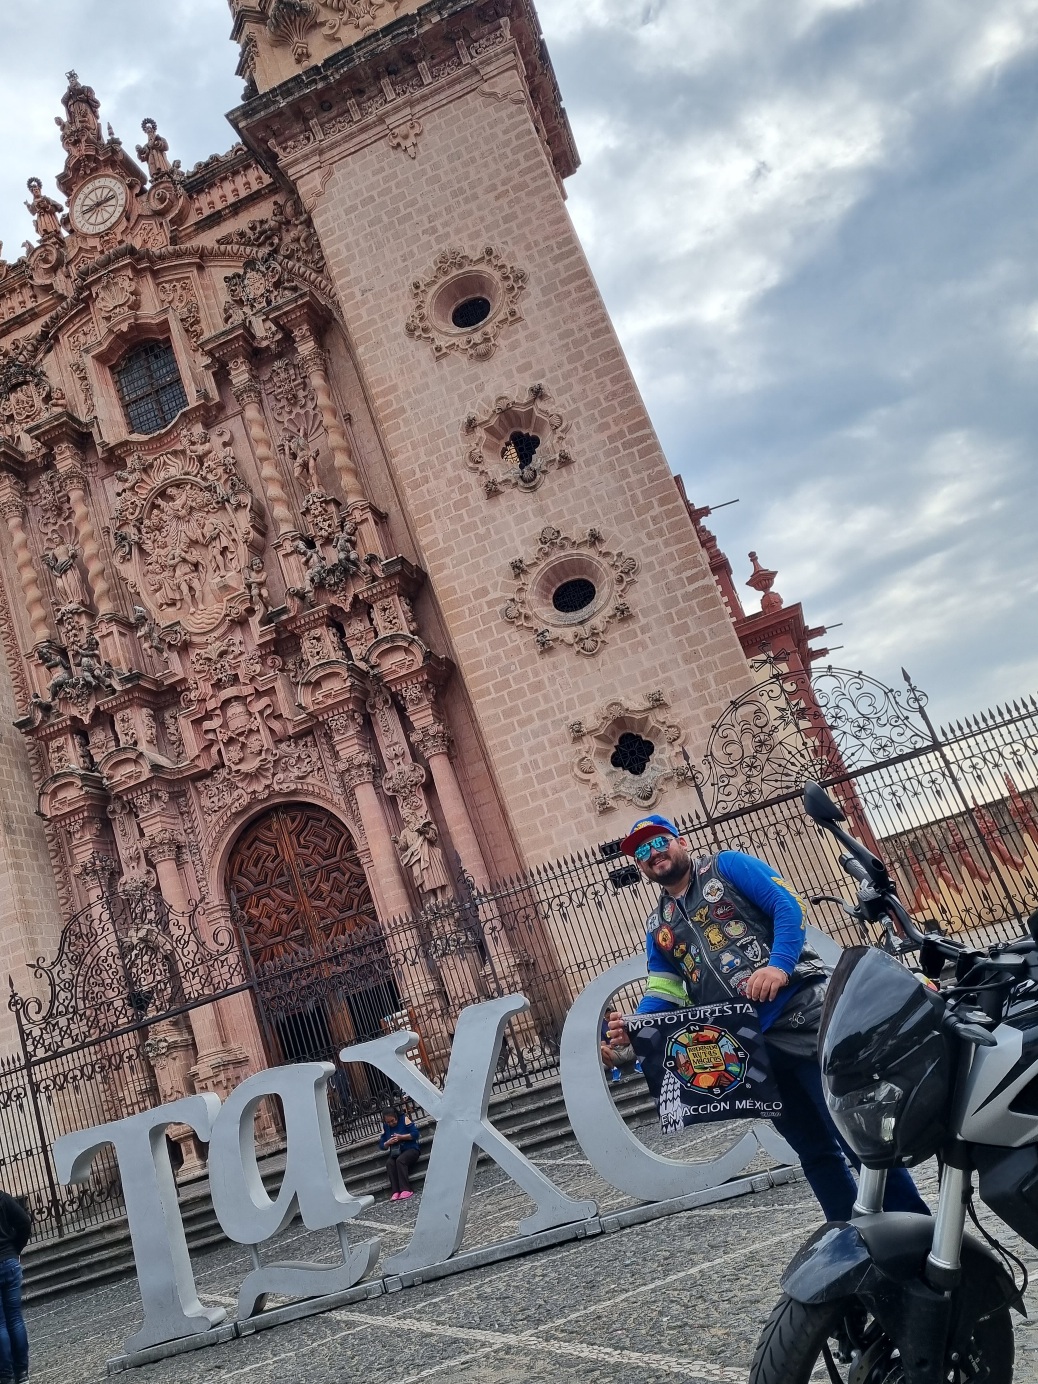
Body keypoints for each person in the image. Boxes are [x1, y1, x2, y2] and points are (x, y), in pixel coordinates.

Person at [603, 813, 928, 1223]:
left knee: (855, 1135)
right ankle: (852, 1238)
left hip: (802, 1018)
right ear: (639, 866)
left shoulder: (727, 865)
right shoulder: (659, 926)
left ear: (679, 841)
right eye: (642, 852)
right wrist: (635, 1031)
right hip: (749, 1045)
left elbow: (786, 906)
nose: (654, 854)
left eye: (658, 842)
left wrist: (778, 965)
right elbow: (665, 988)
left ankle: (915, 1229)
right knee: (812, 1150)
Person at [0, 1188, 31, 1384]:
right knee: (15, 1319)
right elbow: (25, 1221)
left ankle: (5, 1374)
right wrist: (14, 1249)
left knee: (0, 1323)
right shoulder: (2, 1197)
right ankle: (22, 1372)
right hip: (9, 1262)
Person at [379, 1107, 421, 1201]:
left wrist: (401, 1137)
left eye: (392, 1121)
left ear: (396, 1117)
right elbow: (381, 1145)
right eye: (388, 1122)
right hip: (396, 1152)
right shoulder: (386, 1127)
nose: (391, 1123)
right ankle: (395, 1191)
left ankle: (406, 1189)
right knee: (389, 1163)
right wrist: (388, 1142)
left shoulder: (404, 1119)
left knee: (400, 1161)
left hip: (411, 1149)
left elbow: (415, 1134)